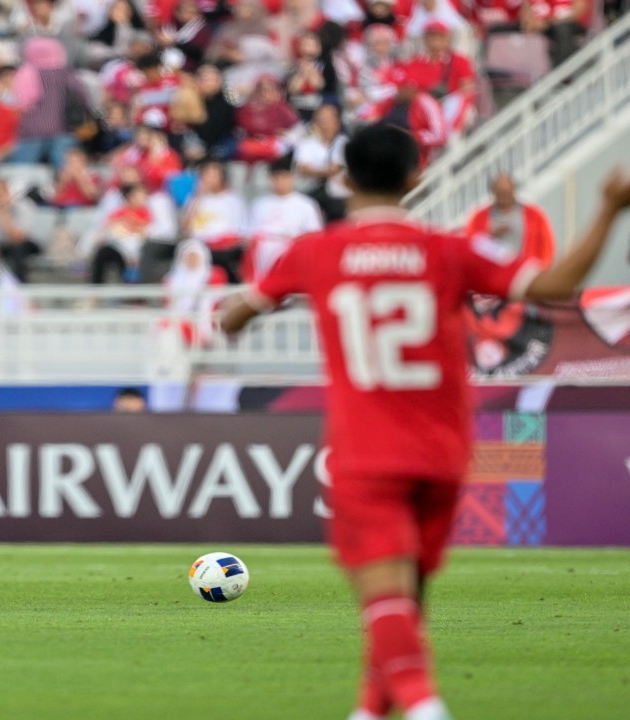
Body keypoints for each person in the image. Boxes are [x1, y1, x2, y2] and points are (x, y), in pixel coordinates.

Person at [219, 122, 630, 720]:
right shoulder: (450, 250)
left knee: (383, 599)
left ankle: (425, 706)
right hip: (442, 449)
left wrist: (239, 309)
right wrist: (609, 209)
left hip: (365, 451)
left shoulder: (313, 252)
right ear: (416, 177)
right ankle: (370, 710)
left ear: (343, 179)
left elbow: (235, 317)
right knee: (404, 601)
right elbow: (555, 284)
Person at [464, 173, 556, 268]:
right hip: (490, 272)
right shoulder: (478, 218)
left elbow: (546, 246)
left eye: (506, 191)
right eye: (500, 192)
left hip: (525, 272)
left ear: (513, 189)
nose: (504, 196)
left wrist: (541, 270)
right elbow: (468, 246)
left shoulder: (535, 215)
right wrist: (488, 235)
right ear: (493, 192)